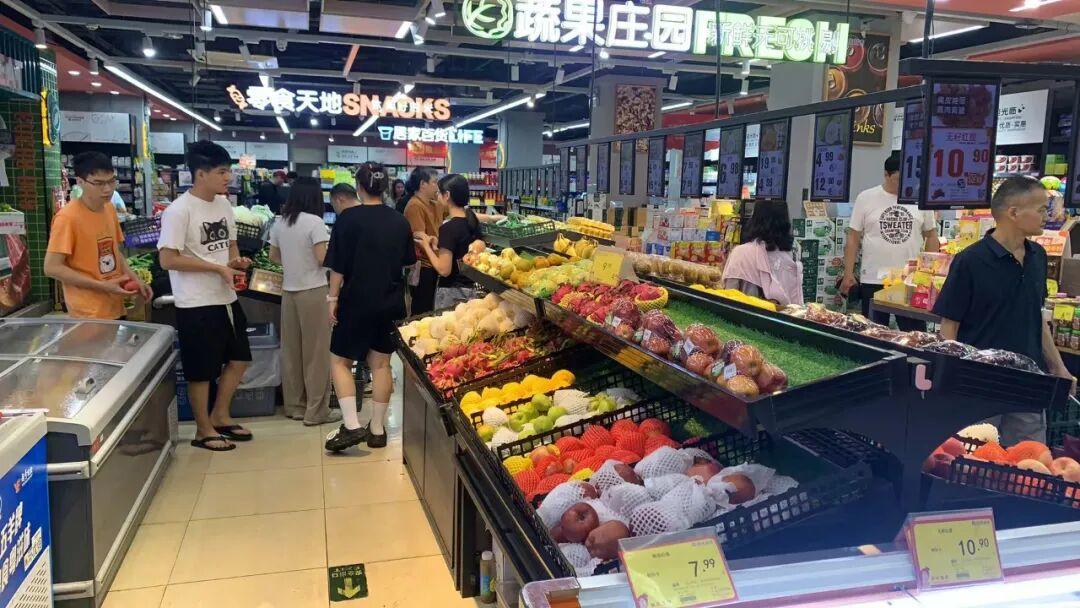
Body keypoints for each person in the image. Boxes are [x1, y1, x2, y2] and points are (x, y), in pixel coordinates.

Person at [933, 176, 1074, 444]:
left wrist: (1058, 367)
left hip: (1028, 383)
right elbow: (949, 326)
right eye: (1041, 209)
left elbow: (1036, 318)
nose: (1048, 215)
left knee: (1030, 458)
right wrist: (949, 380)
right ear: (1014, 212)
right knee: (973, 456)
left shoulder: (1038, 256)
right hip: (978, 385)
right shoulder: (970, 261)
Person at [158, 141, 254, 452]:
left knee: (240, 358)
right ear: (200, 174)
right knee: (201, 370)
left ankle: (220, 415)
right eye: (222, 172)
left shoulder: (224, 205)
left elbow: (231, 245)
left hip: (226, 298)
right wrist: (216, 268)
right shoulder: (178, 211)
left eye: (229, 171)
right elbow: (167, 259)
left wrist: (235, 262)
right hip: (195, 302)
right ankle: (203, 430)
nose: (229, 178)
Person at [324, 162, 416, 451]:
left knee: (340, 361)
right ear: (386, 187)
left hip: (355, 301)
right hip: (389, 301)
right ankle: (377, 430)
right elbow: (408, 263)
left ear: (359, 187)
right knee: (381, 364)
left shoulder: (348, 219)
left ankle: (352, 425)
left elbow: (338, 266)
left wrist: (332, 299)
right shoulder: (399, 221)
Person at [44, 152, 151, 319]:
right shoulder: (67, 218)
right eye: (98, 183)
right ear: (80, 182)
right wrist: (102, 286)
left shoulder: (109, 209)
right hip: (88, 312)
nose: (107, 189)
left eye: (111, 181)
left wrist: (135, 279)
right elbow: (52, 268)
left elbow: (115, 253)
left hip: (114, 305)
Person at [841, 152, 940, 330]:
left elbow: (931, 235)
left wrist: (931, 271)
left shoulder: (919, 199)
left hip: (910, 279)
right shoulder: (866, 198)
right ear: (886, 174)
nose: (903, 185)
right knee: (873, 332)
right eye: (898, 179)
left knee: (915, 331)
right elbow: (853, 237)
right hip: (873, 277)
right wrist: (848, 272)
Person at [269, 177, 338, 426]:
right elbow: (321, 258)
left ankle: (295, 406)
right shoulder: (315, 222)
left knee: (292, 352)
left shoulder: (281, 222)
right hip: (313, 291)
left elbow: (273, 256)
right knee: (317, 353)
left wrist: (294, 262)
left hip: (289, 293)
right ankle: (316, 411)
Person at [417, 174, 486, 309]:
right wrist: (439, 244)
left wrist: (426, 246)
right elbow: (460, 251)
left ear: (447, 195)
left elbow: (444, 270)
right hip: (471, 290)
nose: (437, 196)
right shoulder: (471, 220)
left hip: (453, 294)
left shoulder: (448, 228)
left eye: (439, 193)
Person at [721, 200, 803, 306]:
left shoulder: (741, 253)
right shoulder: (793, 253)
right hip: (787, 314)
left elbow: (729, 295)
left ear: (754, 220)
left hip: (748, 314)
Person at [401, 167, 443, 314]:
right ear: (422, 184)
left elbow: (456, 210)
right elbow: (420, 239)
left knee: (431, 308)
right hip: (424, 267)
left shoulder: (434, 204)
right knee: (422, 311)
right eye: (434, 182)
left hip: (435, 265)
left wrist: (492, 218)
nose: (437, 187)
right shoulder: (414, 206)